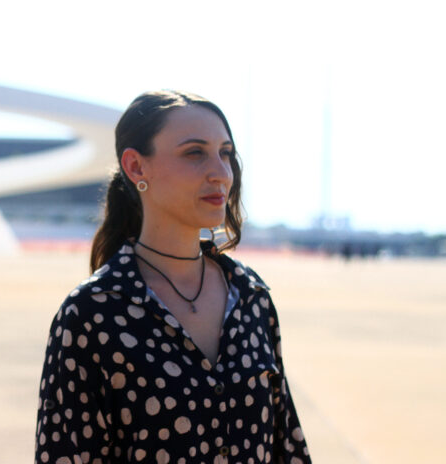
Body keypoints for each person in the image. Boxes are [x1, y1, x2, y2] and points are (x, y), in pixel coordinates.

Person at [34, 90, 311, 464]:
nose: (220, 172)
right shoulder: (92, 313)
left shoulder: (251, 296)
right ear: (136, 167)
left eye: (225, 153)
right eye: (195, 153)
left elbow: (285, 445)